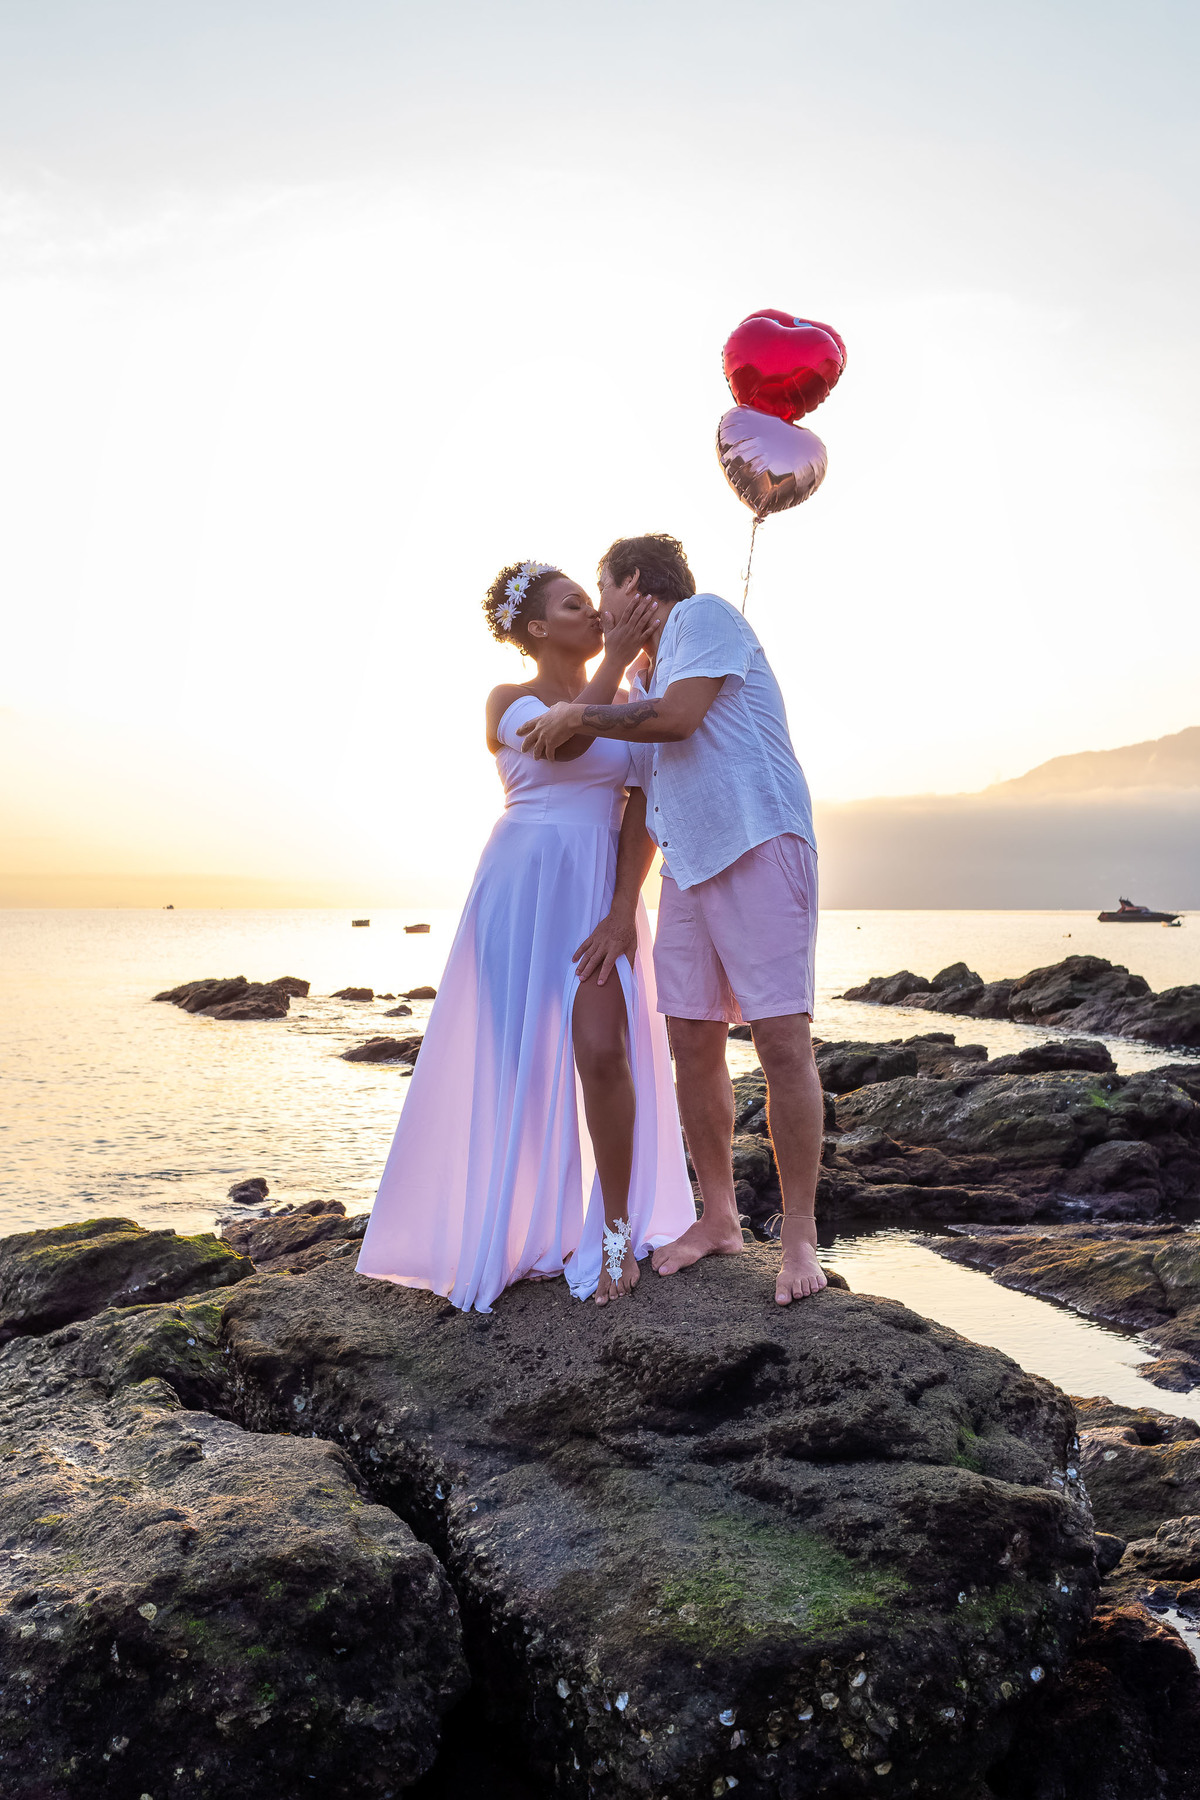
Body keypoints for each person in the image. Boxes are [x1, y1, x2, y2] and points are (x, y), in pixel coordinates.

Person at [356, 559, 696, 1313]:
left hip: (597, 886)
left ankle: (615, 1237)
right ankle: (520, 1229)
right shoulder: (508, 700)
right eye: (574, 604)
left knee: (604, 1052)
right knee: (522, 1067)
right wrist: (615, 660)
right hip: (520, 885)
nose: (593, 612)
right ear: (537, 628)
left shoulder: (630, 702)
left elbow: (641, 808)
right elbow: (562, 747)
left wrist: (622, 911)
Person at [518, 533, 826, 1308]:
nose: (599, 607)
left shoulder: (703, 617)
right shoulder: (641, 679)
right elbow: (643, 805)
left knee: (780, 1040)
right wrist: (624, 908)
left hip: (759, 842)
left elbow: (681, 719)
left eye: (602, 588)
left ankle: (798, 1236)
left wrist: (579, 712)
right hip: (687, 868)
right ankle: (719, 1218)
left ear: (634, 584)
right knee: (691, 1041)